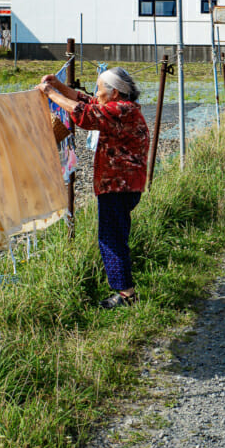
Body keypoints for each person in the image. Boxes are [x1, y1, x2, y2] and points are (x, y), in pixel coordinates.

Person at [39, 67, 150, 308]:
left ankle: (126, 295)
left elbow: (86, 115)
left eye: (100, 89)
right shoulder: (123, 109)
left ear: (115, 93)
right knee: (115, 236)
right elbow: (89, 103)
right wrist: (59, 86)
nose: (96, 93)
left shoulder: (120, 111)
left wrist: (50, 93)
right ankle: (125, 291)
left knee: (111, 239)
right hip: (125, 185)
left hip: (118, 187)